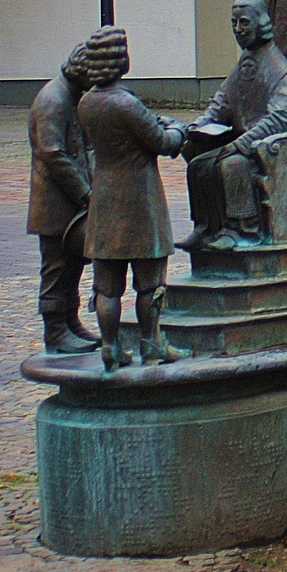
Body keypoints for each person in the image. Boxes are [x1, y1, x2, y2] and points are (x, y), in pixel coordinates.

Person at [75, 27, 189, 371]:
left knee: (107, 286)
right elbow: (162, 142)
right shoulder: (125, 103)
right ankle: (152, 343)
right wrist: (179, 128)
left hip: (105, 199)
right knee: (150, 282)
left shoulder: (87, 102)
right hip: (139, 200)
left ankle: (110, 347)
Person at [183, 0, 287, 250]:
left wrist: (243, 143)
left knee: (233, 164)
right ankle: (206, 226)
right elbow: (222, 103)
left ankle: (243, 230)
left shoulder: (276, 65)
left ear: (260, 23)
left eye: (244, 23)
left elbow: (286, 115)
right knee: (196, 162)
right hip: (241, 142)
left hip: (266, 146)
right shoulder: (245, 62)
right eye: (234, 23)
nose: (238, 30)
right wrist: (198, 126)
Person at [26, 42, 100, 354]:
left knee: (71, 266)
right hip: (54, 204)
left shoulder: (72, 97)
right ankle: (55, 331)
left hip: (70, 201)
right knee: (56, 268)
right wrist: (84, 192)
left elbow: (85, 147)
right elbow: (53, 154)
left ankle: (70, 322)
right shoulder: (53, 100)